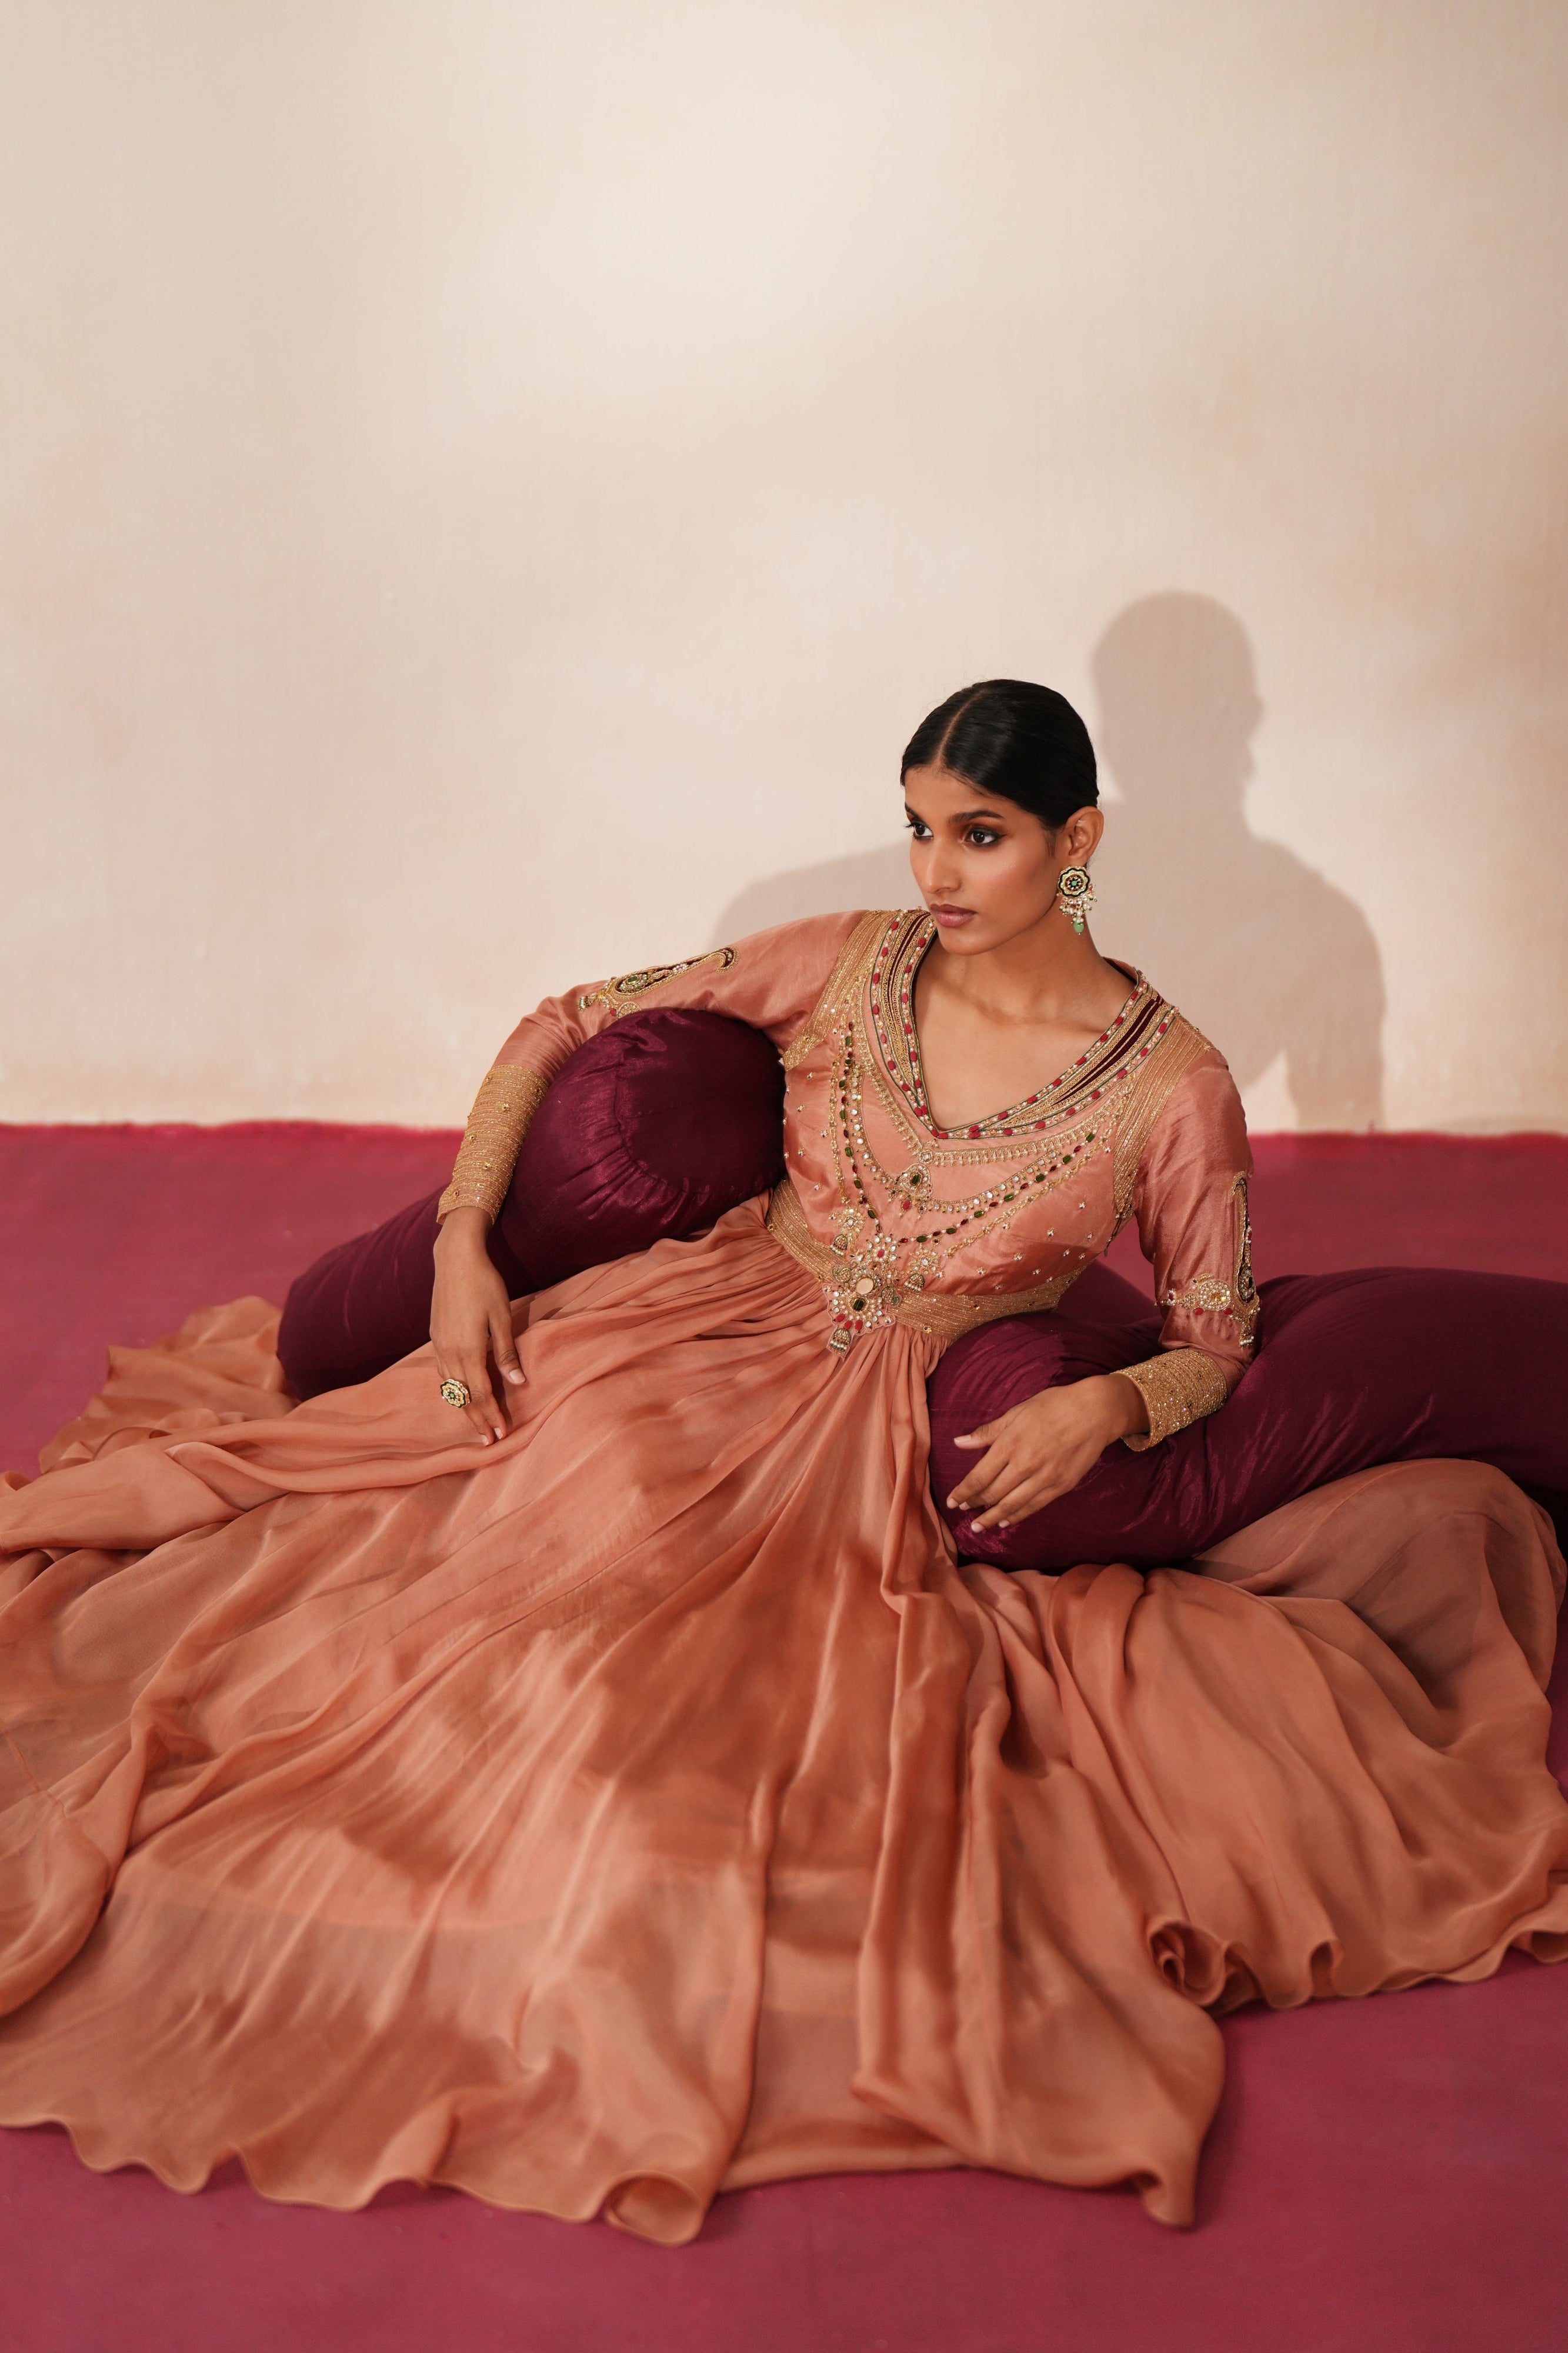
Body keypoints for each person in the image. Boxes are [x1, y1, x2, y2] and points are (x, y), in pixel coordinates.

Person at [1, 682, 1564, 2244]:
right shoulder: (853, 958)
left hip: (893, 1424)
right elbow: (563, 1021)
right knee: (507, 1546)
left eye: (981, 836)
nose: (936, 873)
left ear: (1076, 840)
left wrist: (1104, 1410)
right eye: (917, 829)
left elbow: (1213, 1339)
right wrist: (468, 1241)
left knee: (700, 1711)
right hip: (694, 1328)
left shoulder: (1172, 1084)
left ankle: (596, 1905)